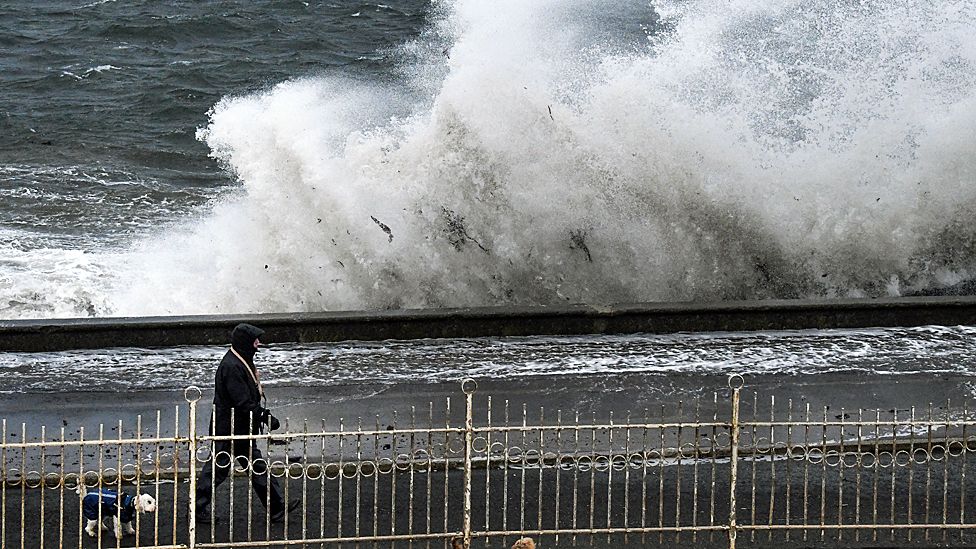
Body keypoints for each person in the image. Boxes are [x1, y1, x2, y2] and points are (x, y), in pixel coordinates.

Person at [194, 323, 299, 523]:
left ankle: (276, 507)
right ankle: (198, 509)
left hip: (238, 426)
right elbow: (242, 402)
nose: (258, 343)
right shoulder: (232, 366)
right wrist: (266, 417)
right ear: (245, 342)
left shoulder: (239, 360)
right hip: (229, 428)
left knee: (254, 466)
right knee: (217, 470)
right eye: (255, 340)